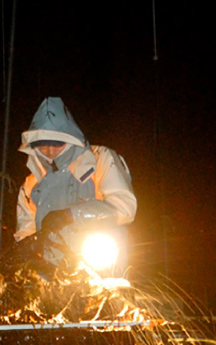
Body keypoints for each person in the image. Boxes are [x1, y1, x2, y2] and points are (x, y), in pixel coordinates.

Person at [14, 97, 137, 272]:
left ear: (70, 138)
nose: (49, 151)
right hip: (51, 274)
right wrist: (33, 261)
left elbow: (124, 207)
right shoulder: (32, 183)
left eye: (56, 144)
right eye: (42, 145)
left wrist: (71, 215)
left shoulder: (100, 159)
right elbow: (24, 234)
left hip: (99, 267)